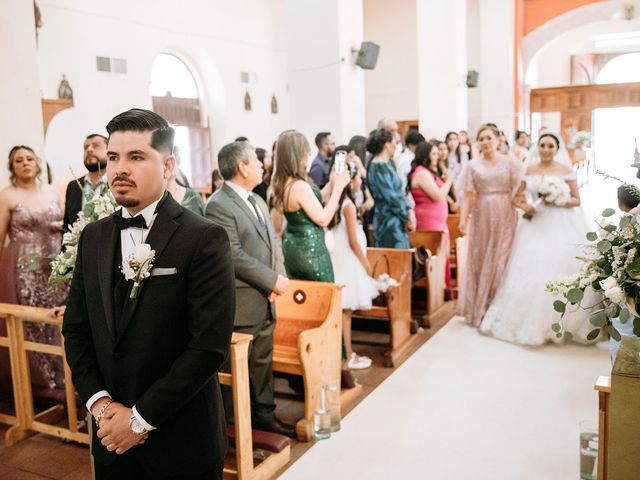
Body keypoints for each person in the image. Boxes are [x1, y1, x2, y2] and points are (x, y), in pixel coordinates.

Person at [62, 109, 235, 480]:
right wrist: (101, 404)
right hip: (111, 442)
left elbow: (209, 346)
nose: (120, 168)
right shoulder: (93, 238)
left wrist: (139, 420)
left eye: (136, 157)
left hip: (181, 441)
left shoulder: (203, 238)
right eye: (113, 157)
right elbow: (76, 329)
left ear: (168, 165)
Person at [205, 141, 294, 437]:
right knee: (237, 368)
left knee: (262, 361)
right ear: (242, 167)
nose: (261, 164)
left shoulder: (257, 199)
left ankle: (264, 415)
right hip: (242, 301)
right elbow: (231, 253)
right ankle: (232, 430)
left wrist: (276, 279)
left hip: (266, 296)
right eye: (256, 160)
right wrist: (270, 280)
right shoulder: (218, 204)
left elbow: (274, 242)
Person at [480, 133, 595, 345]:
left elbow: (576, 200)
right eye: (542, 145)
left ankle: (565, 323)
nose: (546, 149)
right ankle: (529, 321)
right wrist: (528, 207)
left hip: (560, 223)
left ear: (557, 148)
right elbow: (516, 198)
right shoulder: (529, 169)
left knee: (559, 267)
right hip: (535, 223)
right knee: (529, 269)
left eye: (550, 146)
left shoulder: (565, 170)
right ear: (537, 147)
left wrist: (557, 199)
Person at [0, 145, 67, 399]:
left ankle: (62, 378)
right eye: (19, 160)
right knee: (31, 322)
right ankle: (38, 382)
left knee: (56, 319)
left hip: (54, 265)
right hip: (23, 268)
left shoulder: (53, 191)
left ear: (38, 163)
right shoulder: (7, 196)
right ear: (12, 167)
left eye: (29, 158)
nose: (25, 163)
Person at [457, 124, 521, 327]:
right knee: (482, 255)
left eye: (489, 138)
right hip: (482, 213)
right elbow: (468, 194)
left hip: (505, 212)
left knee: (502, 257)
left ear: (498, 140)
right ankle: (482, 307)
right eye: (481, 138)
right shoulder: (472, 166)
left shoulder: (511, 162)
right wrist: (462, 218)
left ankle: (502, 307)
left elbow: (522, 186)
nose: (485, 142)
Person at [270, 130, 349, 282]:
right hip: (309, 250)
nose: (308, 155)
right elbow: (323, 219)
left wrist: (332, 183)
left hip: (295, 246)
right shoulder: (299, 186)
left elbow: (314, 200)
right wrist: (338, 188)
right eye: (306, 151)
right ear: (298, 154)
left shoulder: (289, 182)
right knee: (322, 297)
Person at [327, 161, 378, 370]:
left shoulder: (340, 201)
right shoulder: (347, 204)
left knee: (344, 311)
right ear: (350, 181)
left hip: (342, 257)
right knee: (345, 311)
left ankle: (345, 353)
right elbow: (353, 240)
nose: (360, 182)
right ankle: (347, 355)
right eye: (357, 179)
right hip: (348, 259)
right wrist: (366, 265)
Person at [408, 141, 453, 289]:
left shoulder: (429, 172)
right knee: (435, 254)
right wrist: (449, 181)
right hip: (428, 220)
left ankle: (441, 289)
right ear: (425, 155)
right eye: (433, 153)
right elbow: (438, 195)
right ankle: (435, 290)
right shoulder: (421, 173)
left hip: (437, 221)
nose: (437, 156)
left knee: (441, 254)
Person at [366, 128, 416, 248]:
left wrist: (409, 210)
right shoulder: (378, 167)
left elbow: (399, 192)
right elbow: (391, 197)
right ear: (387, 145)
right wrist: (407, 216)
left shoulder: (388, 164)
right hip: (387, 220)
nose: (396, 146)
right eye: (395, 142)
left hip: (396, 216)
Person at [63, 133, 110, 231]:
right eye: (86, 147)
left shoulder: (117, 183)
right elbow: (67, 224)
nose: (89, 149)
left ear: (109, 150)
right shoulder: (73, 186)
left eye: (96, 146)